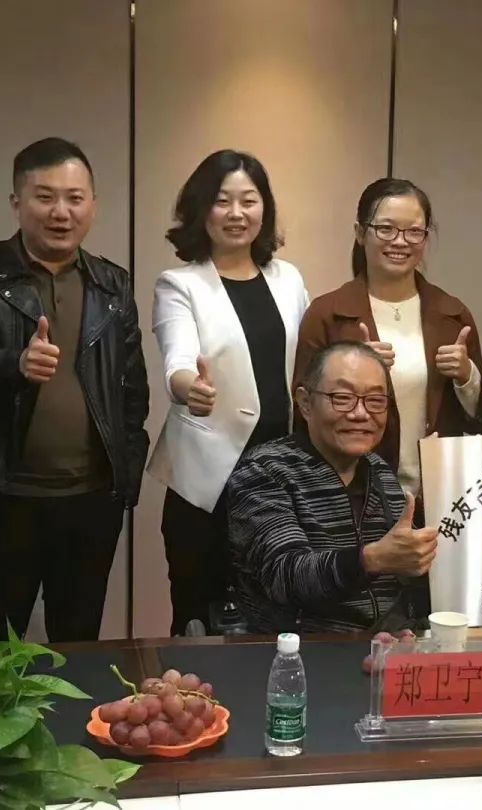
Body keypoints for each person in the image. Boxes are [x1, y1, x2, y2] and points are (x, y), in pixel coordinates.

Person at [0, 137, 149, 642]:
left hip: (91, 500)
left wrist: (125, 478)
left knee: (77, 643)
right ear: (17, 203)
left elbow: (132, 391)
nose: (61, 212)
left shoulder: (112, 284)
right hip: (5, 497)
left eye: (75, 198)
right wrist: (14, 363)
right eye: (45, 196)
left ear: (93, 205)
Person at [148, 149, 309, 635]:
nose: (236, 213)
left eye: (249, 200)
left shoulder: (288, 279)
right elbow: (177, 359)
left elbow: (311, 359)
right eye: (222, 201)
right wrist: (188, 388)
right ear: (201, 210)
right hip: (206, 485)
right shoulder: (180, 284)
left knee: (276, 616)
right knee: (201, 618)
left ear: (265, 209)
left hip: (279, 477)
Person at [294, 177, 482, 499]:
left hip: (438, 494)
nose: (400, 241)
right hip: (352, 493)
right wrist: (351, 368)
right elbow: (302, 414)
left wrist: (466, 376)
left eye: (414, 231)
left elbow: (481, 419)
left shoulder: (452, 314)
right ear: (360, 233)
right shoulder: (327, 314)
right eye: (386, 229)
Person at [229, 341, 438, 633]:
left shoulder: (379, 471)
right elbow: (284, 574)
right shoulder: (264, 470)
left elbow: (404, 575)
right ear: (305, 402)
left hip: (381, 648)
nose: (361, 413)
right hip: (297, 650)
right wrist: (372, 559)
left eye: (375, 400)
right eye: (342, 398)